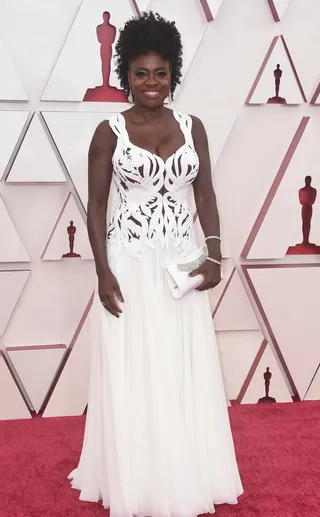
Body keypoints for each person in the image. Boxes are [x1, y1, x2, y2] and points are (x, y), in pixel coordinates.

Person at [69, 11, 243, 517]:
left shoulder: (193, 127)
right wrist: (102, 271)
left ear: (174, 75)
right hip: (131, 261)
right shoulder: (109, 132)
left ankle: (187, 470)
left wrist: (212, 253)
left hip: (182, 264)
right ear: (126, 74)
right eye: (142, 73)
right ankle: (140, 479)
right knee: (138, 367)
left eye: (161, 73)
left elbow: (205, 193)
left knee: (182, 364)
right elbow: (96, 207)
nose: (152, 83)